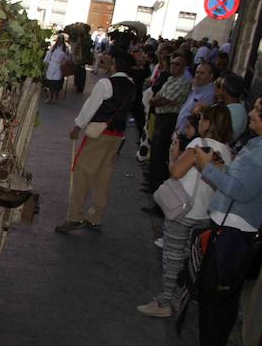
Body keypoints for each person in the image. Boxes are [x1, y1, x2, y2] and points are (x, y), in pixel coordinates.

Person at [173, 97, 262, 346]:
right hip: (227, 229)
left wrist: (206, 167)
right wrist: (220, 166)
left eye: (258, 110)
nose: (251, 112)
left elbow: (241, 191)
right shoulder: (255, 145)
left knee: (217, 302)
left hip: (235, 236)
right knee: (212, 297)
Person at [137, 104, 234, 318]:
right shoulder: (227, 151)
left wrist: (173, 155)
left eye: (202, 119)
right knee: (188, 260)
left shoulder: (199, 144)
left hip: (183, 211)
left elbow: (176, 172)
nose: (199, 123)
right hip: (205, 214)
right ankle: (176, 299)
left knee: (172, 257)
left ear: (208, 123)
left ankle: (163, 303)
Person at [55, 49, 136, 233]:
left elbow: (90, 106)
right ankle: (96, 216)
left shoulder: (106, 83)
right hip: (117, 136)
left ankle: (75, 216)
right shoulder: (131, 85)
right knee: (103, 177)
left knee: (82, 173)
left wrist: (77, 126)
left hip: (100, 134)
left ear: (115, 63)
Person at [145, 51, 192, 194]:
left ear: (184, 67)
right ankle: (151, 181)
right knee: (155, 148)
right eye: (172, 63)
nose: (173, 66)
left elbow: (165, 100)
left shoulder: (183, 82)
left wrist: (155, 100)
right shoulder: (171, 79)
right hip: (161, 117)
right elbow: (158, 96)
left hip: (168, 118)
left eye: (177, 64)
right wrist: (156, 100)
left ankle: (157, 187)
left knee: (160, 151)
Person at [175, 62, 215, 133]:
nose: (197, 75)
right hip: (179, 131)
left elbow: (196, 118)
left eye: (202, 73)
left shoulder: (210, 94)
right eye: (196, 72)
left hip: (188, 135)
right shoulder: (197, 88)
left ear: (210, 76)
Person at [214, 72, 248, 140]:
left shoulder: (233, 113)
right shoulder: (234, 108)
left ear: (225, 91)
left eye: (219, 86)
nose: (216, 88)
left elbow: (217, 135)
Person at [43, 34, 70, 103]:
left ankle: (54, 96)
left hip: (58, 66)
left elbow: (68, 58)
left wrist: (65, 59)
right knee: (49, 82)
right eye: (59, 39)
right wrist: (45, 63)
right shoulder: (53, 47)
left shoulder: (65, 48)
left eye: (61, 39)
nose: (60, 40)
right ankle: (49, 97)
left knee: (56, 82)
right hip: (51, 65)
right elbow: (48, 55)